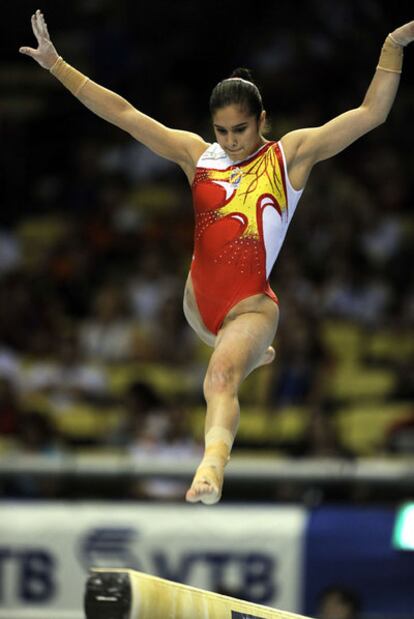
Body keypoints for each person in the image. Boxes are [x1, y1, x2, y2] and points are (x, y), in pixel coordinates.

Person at [19, 10, 414, 505]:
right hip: (197, 308)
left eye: (241, 130)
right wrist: (56, 63)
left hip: (248, 306)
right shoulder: (197, 155)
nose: (230, 142)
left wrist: (393, 44)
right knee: (226, 354)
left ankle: (211, 467)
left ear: (263, 120)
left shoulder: (288, 156)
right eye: (222, 131)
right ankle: (253, 355)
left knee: (220, 376)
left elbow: (371, 113)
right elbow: (123, 114)